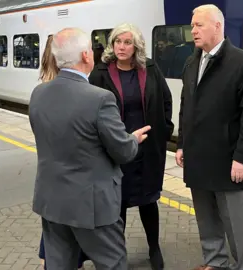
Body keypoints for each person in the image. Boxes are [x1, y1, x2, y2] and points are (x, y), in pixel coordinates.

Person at [29, 27, 150, 270]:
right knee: (112, 263)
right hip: (92, 205)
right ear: (86, 56)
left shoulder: (39, 93)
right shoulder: (99, 99)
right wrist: (133, 139)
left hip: (52, 201)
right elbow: (123, 151)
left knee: (59, 265)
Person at [175, 4, 243, 270]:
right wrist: (181, 144)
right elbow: (186, 105)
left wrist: (242, 158)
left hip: (228, 160)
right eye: (192, 26)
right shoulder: (192, 61)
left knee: (235, 221)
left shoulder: (242, 62)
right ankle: (216, 262)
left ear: (217, 26)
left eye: (198, 25)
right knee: (206, 218)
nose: (193, 31)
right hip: (198, 156)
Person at [89, 23, 173, 270]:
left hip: (147, 149)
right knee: (119, 203)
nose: (121, 47)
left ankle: (154, 248)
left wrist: (164, 131)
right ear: (112, 45)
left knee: (149, 200)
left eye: (127, 42)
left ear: (135, 45)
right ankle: (118, 253)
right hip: (116, 149)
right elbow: (91, 109)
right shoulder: (101, 72)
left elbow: (165, 100)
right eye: (117, 42)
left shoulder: (150, 68)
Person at [37, 34, 90, 270]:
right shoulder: (76, 90)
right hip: (75, 183)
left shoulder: (41, 91)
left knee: (53, 240)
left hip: (50, 184)